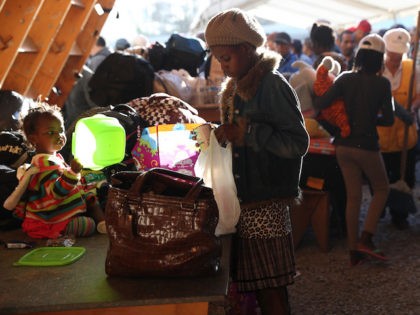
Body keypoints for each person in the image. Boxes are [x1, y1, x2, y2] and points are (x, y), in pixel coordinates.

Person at [204, 8, 309, 315]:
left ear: (248, 50)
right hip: (245, 200)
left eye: (227, 58)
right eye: (218, 59)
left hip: (267, 204)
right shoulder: (237, 85)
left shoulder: (273, 85)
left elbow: (297, 143)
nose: (223, 66)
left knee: (271, 288)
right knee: (255, 285)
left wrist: (247, 132)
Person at [314, 34, 394, 265]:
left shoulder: (345, 78)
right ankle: (366, 238)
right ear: (379, 60)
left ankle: (352, 249)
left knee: (353, 196)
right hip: (367, 146)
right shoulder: (382, 84)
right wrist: (369, 120)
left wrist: (342, 119)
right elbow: (388, 120)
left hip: (342, 145)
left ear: (359, 56)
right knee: (381, 189)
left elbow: (320, 104)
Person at [11, 103, 106, 239]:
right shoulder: (41, 166)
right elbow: (56, 193)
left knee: (91, 194)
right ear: (33, 139)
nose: (59, 135)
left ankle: (102, 222)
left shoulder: (55, 158)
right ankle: (87, 223)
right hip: (51, 218)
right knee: (87, 224)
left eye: (61, 130)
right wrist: (73, 172)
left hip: (65, 205)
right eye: (51, 132)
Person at [379, 27, 420, 229]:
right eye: (392, 54)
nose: (395, 59)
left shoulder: (413, 69)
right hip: (382, 136)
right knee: (382, 176)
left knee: (406, 175)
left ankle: (399, 214)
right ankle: (380, 210)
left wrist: (413, 106)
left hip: (405, 134)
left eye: (399, 55)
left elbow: (418, 93)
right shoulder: (376, 69)